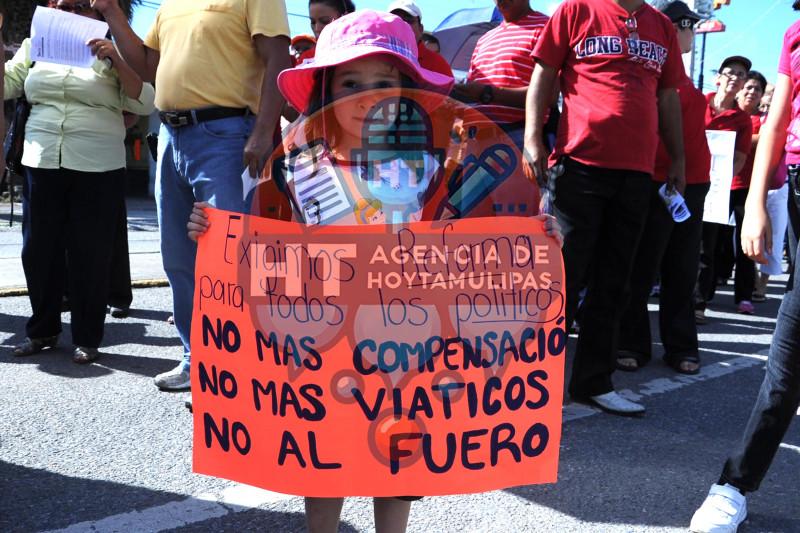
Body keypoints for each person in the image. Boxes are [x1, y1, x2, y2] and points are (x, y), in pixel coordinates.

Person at [187, 11, 562, 532]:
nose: (366, 96)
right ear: (326, 88)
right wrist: (211, 232)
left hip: (408, 330)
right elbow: (270, 238)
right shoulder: (299, 164)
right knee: (324, 448)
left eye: (383, 83)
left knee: (401, 449)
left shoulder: (433, 166)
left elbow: (480, 238)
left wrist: (537, 242)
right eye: (351, 83)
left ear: (407, 91)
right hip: (327, 330)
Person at [90, 0, 292, 390]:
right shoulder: (172, 4)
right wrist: (112, 13)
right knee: (179, 257)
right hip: (170, 136)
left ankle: (232, 370)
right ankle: (195, 358)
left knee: (227, 258)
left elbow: (277, 57)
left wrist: (264, 130)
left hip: (227, 134)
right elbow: (149, 66)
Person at [525, 0, 686, 416]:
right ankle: (537, 384)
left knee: (616, 282)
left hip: (637, 172)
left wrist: (678, 158)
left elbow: (667, 97)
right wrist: (532, 137)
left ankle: (593, 381)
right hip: (580, 166)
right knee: (562, 279)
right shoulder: (576, 10)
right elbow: (543, 73)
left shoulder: (662, 26)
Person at [689, 5, 800, 531]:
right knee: (788, 359)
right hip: (799, 190)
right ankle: (733, 485)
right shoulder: (796, 31)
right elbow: (777, 120)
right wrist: (755, 201)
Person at [5, 0, 155, 363]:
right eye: (58, 4)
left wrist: (116, 61)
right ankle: (42, 330)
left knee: (91, 251)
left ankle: (87, 336)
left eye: (77, 6)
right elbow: (7, 86)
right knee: (38, 250)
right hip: (42, 158)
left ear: (96, 13)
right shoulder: (35, 44)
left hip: (97, 163)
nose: (67, 11)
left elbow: (146, 101)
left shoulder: (113, 45)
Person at [615, 0, 710, 376]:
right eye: (687, 24)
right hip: (654, 179)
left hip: (694, 183)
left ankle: (681, 345)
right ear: (670, 28)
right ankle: (632, 342)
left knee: (682, 268)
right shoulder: (647, 72)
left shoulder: (683, 76)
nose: (691, 31)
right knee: (642, 267)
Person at [695, 55, 754, 322]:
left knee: (707, 247)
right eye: (730, 72)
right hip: (685, 182)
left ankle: (698, 302)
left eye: (741, 75)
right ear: (717, 77)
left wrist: (718, 181)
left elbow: (740, 158)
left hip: (717, 189)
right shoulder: (697, 103)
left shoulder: (742, 120)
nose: (735, 77)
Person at [454, 0, 549, 148]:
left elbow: (550, 95)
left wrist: (488, 93)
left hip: (519, 140)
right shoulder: (484, 40)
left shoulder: (546, 27)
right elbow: (473, 96)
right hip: (476, 142)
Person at [727, 71, 768, 310]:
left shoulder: (764, 119)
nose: (752, 92)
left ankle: (744, 295)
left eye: (758, 89)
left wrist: (742, 137)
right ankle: (702, 296)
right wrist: (754, 138)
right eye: (749, 87)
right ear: (741, 88)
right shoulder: (731, 113)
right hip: (722, 184)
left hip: (748, 187)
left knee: (746, 246)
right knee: (711, 243)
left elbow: (768, 140)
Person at [388, 0, 453, 78]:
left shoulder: (438, 64)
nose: (402, 24)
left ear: (421, 29)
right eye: (396, 20)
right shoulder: (376, 57)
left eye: (408, 20)